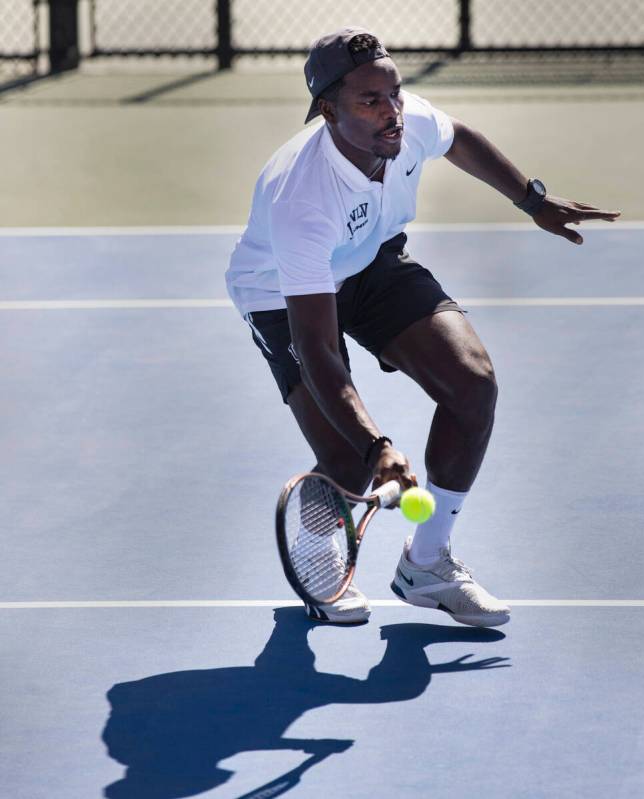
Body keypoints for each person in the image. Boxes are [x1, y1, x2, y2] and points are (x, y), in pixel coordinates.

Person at [225, 27, 621, 626]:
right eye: (370, 101)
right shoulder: (302, 199)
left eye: (395, 93)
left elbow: (458, 138)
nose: (391, 112)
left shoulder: (405, 125)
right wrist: (377, 445)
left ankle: (427, 562)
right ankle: (317, 545)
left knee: (472, 384)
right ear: (328, 111)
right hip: (283, 294)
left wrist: (533, 202)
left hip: (368, 258)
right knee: (346, 459)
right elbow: (316, 350)